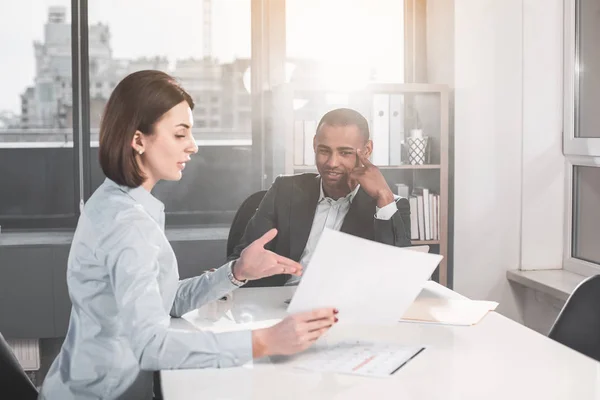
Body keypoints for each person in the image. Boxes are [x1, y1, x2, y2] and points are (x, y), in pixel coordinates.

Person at [39, 70, 337, 400]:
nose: (193, 146)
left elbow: (165, 301)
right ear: (138, 140)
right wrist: (264, 341)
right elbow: (151, 346)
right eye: (181, 135)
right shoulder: (126, 224)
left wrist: (237, 273)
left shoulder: (121, 202)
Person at [229, 108, 412, 287]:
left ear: (366, 150)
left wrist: (384, 196)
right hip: (279, 302)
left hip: (345, 308)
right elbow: (243, 258)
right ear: (315, 144)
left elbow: (398, 277)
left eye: (345, 153)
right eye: (324, 151)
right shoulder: (285, 190)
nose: (332, 163)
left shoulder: (389, 206)